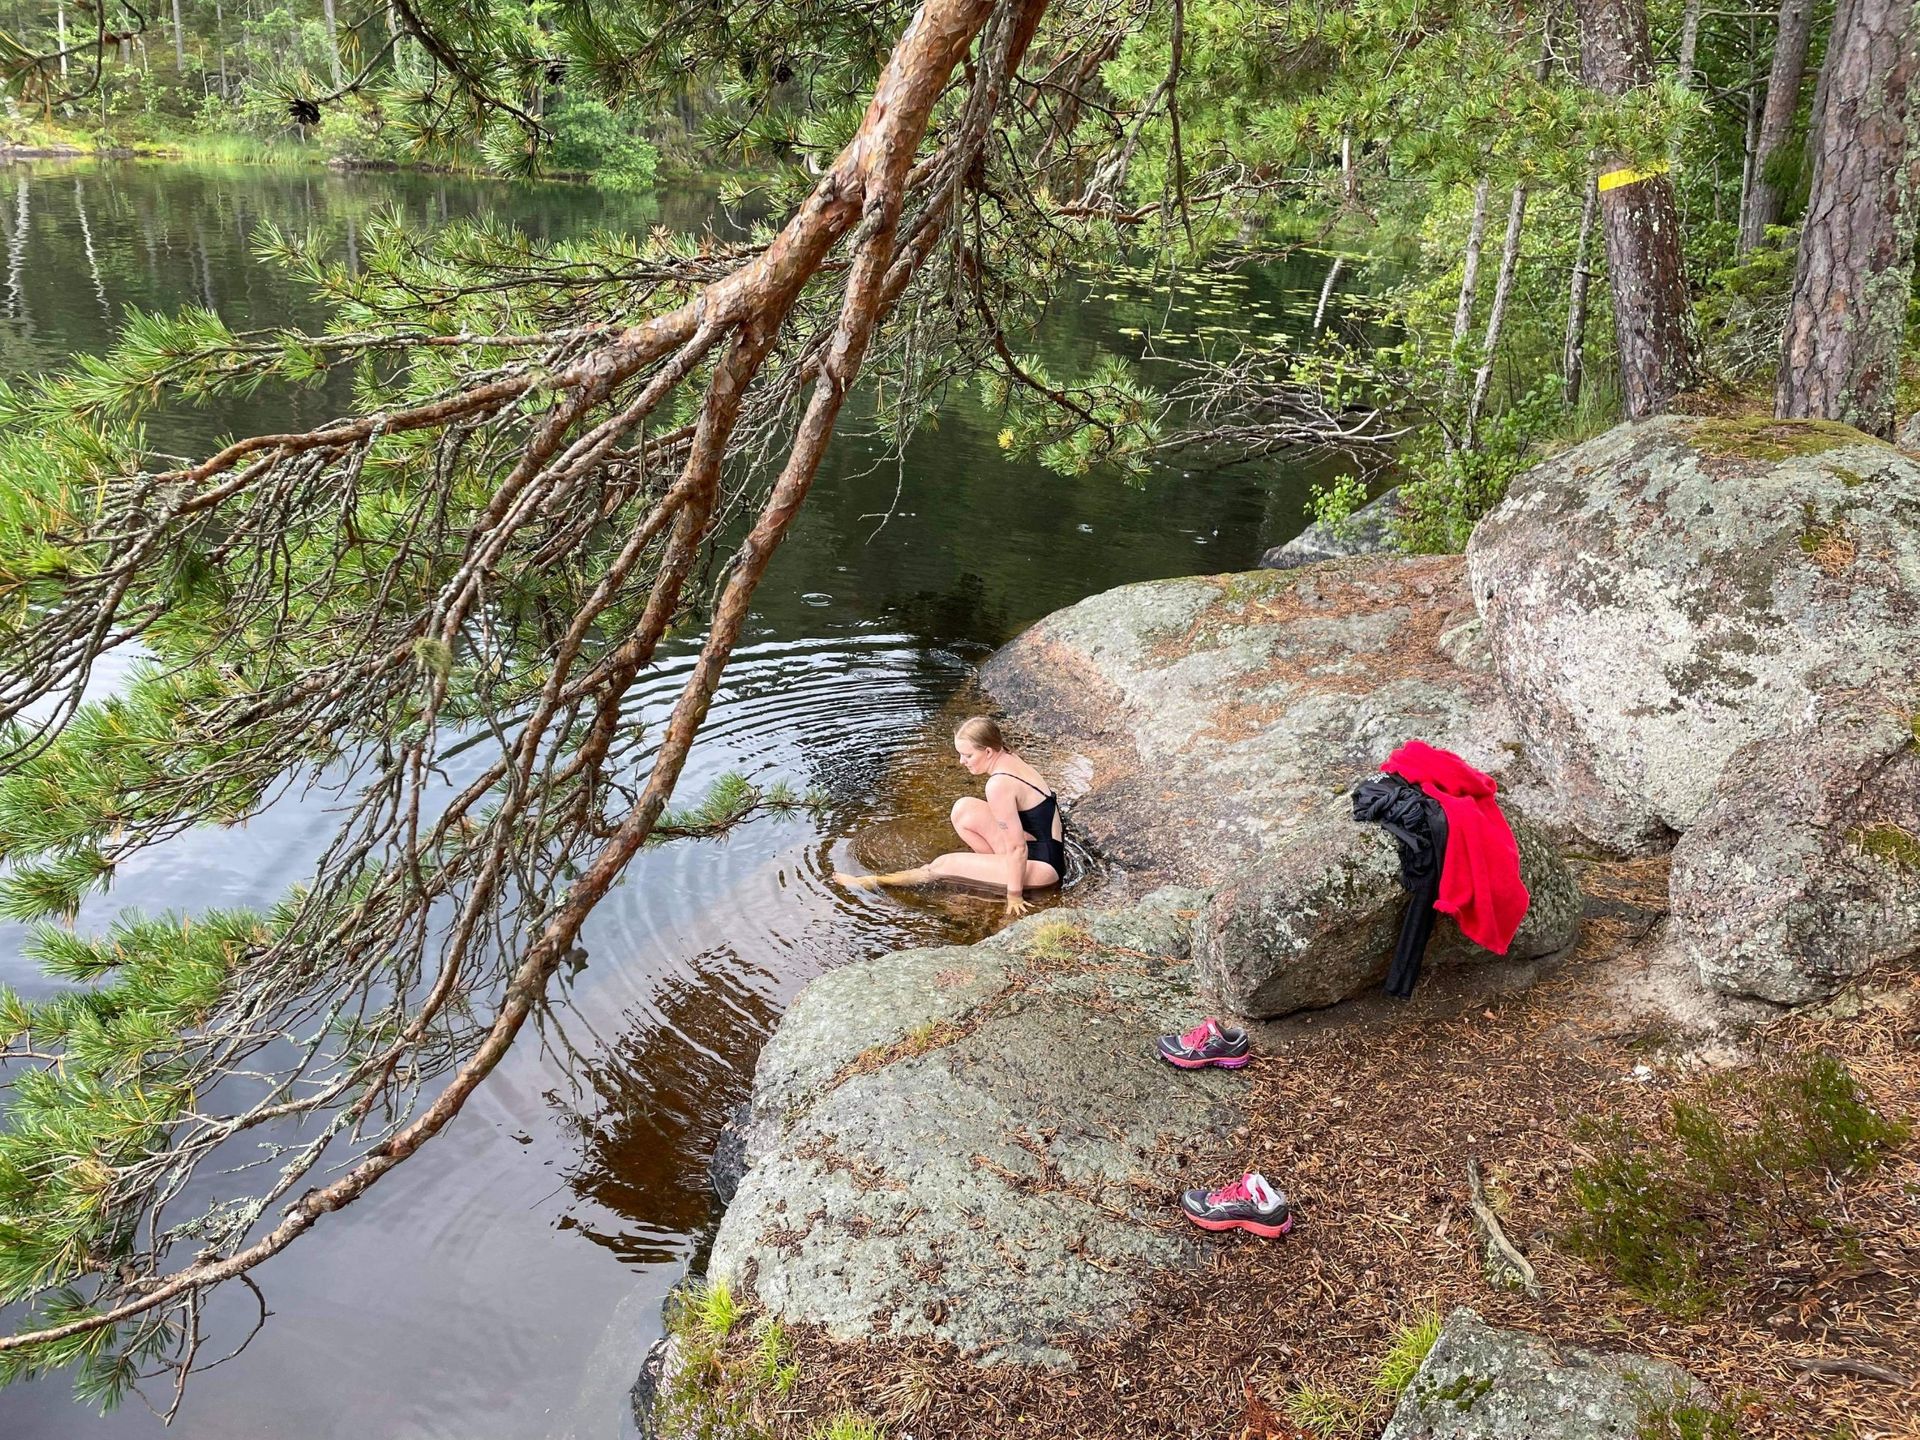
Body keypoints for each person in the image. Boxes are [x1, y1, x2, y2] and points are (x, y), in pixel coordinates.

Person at [840, 715, 1064, 915]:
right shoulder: (1011, 759)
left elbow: (1017, 848)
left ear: (987, 751)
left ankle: (873, 881)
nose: (961, 761)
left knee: (943, 865)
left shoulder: (998, 784)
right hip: (1045, 847)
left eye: (967, 755)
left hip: (1041, 868)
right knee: (963, 810)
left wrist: (1014, 895)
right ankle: (989, 870)